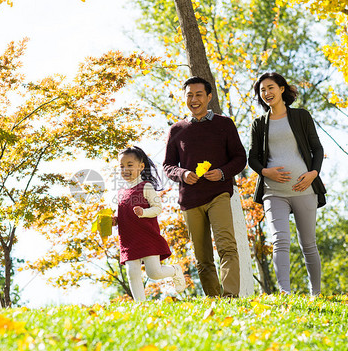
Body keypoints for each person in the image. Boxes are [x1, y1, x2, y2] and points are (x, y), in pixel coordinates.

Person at [163, 76, 247, 298]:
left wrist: (222, 173)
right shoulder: (176, 130)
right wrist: (183, 173)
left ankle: (230, 297)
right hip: (190, 200)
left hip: (218, 193)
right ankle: (215, 300)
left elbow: (240, 158)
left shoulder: (224, 124)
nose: (194, 99)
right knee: (202, 258)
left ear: (209, 97)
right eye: (189, 95)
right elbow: (168, 165)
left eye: (199, 94)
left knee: (227, 247)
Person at [248, 72, 327, 296]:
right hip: (274, 192)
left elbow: (317, 149)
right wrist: (265, 171)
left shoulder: (301, 116)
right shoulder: (259, 124)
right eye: (262, 90)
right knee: (279, 239)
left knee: (308, 244)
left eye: (270, 87)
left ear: (282, 89)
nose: (267, 93)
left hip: (304, 188)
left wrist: (313, 173)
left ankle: (316, 294)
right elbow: (252, 157)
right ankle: (285, 292)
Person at [113, 146, 187, 301]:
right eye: (121, 166)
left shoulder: (145, 186)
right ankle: (141, 305)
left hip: (147, 236)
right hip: (129, 240)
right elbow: (123, 214)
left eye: (130, 165)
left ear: (141, 167)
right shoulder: (120, 193)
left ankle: (175, 270)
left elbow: (157, 208)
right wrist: (115, 220)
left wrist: (144, 213)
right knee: (132, 273)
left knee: (154, 273)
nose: (125, 169)